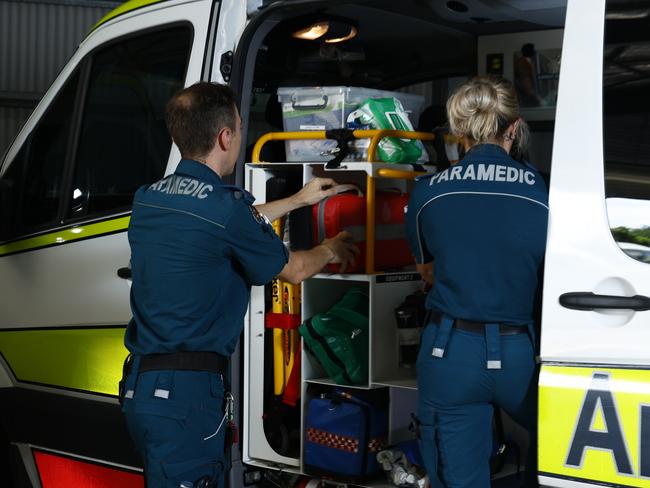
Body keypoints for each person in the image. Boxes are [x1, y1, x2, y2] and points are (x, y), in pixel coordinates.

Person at [120, 82, 358, 488]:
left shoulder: (150, 199)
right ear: (225, 136)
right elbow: (295, 269)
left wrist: (298, 200)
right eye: (241, 127)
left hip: (141, 389)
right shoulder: (225, 211)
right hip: (187, 397)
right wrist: (330, 249)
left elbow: (222, 224)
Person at [406, 76, 548, 487]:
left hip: (451, 353)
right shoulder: (545, 189)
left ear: (458, 131)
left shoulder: (427, 193)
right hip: (525, 351)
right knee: (563, 463)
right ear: (515, 127)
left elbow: (427, 272)